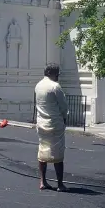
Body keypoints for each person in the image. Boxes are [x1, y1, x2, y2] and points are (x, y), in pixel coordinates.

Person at [34, 63, 69, 192]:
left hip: (41, 123)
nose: (58, 76)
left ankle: (43, 181)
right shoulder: (55, 87)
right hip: (54, 124)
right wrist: (64, 119)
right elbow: (63, 106)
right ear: (50, 73)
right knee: (57, 154)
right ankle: (60, 184)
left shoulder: (38, 86)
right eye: (56, 73)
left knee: (42, 152)